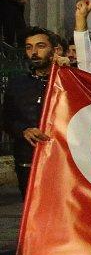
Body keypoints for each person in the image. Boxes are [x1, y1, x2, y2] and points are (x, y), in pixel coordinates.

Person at [3, 26, 55, 194]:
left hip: (59, 158)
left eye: (40, 46)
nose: (34, 52)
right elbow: (6, 118)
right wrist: (23, 130)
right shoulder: (17, 84)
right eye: (29, 47)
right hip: (26, 159)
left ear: (54, 50)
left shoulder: (66, 82)